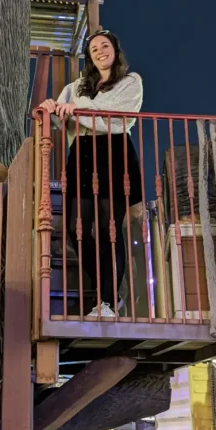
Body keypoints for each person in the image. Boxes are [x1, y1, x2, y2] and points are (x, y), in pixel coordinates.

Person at [40, 30, 143, 318]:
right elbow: (60, 121)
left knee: (109, 229)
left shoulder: (130, 82)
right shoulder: (75, 88)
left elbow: (117, 117)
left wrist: (77, 110)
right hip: (82, 155)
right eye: (94, 48)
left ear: (115, 50)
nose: (100, 51)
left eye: (105, 46)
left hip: (114, 153)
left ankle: (107, 302)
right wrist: (50, 108)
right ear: (89, 56)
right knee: (76, 228)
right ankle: (108, 296)